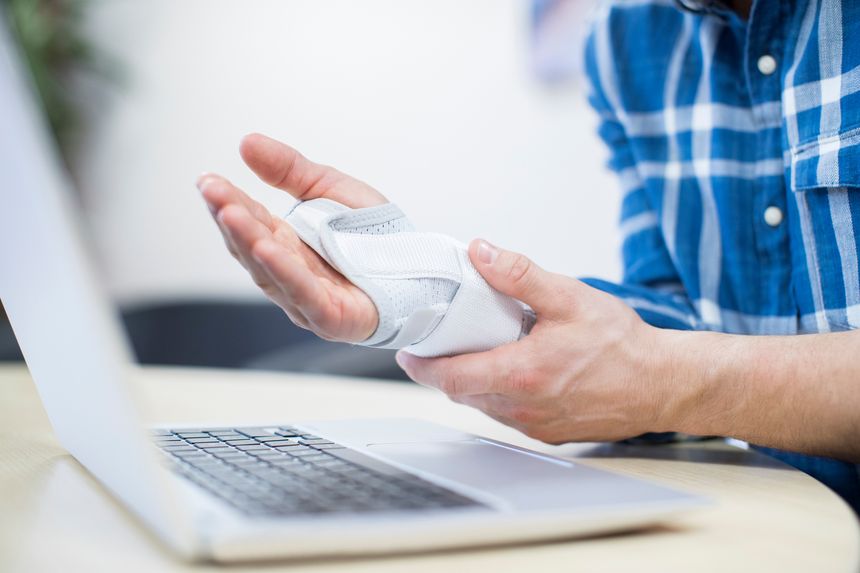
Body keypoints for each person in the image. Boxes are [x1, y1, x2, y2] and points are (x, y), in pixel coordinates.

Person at [198, 0, 860, 511]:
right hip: (766, 518)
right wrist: (429, 292)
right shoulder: (625, 39)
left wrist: (669, 379)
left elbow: (668, 366)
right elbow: (676, 321)